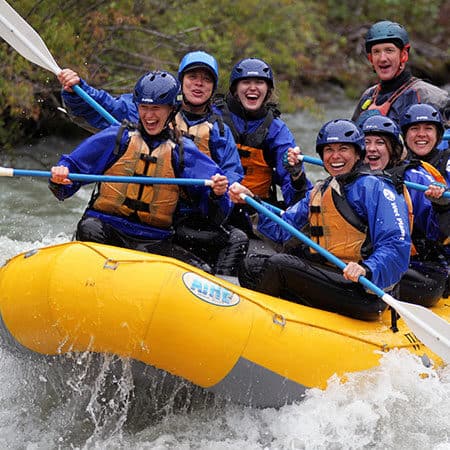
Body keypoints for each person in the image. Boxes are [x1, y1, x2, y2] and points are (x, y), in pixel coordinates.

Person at [58, 52, 248, 276]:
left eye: (206, 79)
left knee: (233, 241)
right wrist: (76, 89)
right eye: (192, 77)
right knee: (90, 228)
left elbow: (228, 173)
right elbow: (101, 106)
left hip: (180, 216)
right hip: (114, 221)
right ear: (181, 82)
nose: (199, 83)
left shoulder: (211, 134)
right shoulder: (130, 121)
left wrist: (223, 189)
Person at [229, 119, 411, 321]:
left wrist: (367, 268)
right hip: (331, 276)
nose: (335, 156)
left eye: (343, 149)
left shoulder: (376, 189)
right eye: (329, 150)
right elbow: (283, 230)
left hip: (364, 288)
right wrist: (251, 203)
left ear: (358, 154)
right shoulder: (320, 190)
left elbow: (396, 245)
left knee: (279, 265)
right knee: (250, 267)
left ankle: (257, 323)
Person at [213, 57, 312, 233]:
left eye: (259, 82)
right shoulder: (215, 117)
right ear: (235, 89)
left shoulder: (276, 130)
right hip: (216, 206)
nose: (253, 87)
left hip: (255, 211)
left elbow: (292, 189)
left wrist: (298, 178)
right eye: (246, 82)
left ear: (268, 90)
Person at [361, 114, 449, 306]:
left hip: (423, 270)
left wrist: (441, 205)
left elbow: (440, 235)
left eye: (380, 143)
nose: (371, 148)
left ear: (393, 149)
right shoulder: (354, 181)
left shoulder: (414, 178)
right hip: (372, 261)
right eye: (366, 142)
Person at [351, 20, 450, 138]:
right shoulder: (368, 96)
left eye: (389, 50)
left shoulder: (432, 97)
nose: (382, 58)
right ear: (371, 58)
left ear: (403, 55)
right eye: (376, 52)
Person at [400, 103, 450, 184]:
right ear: (405, 135)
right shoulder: (395, 164)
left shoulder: (447, 161)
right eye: (414, 128)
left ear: (438, 135)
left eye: (428, 128)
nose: (421, 134)